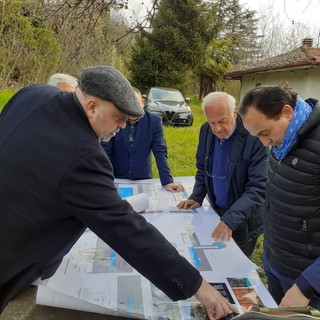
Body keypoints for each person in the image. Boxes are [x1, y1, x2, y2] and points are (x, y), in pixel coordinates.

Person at [0, 65, 238, 319]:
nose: (123, 127)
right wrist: (199, 287)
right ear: (92, 106)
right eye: (119, 118)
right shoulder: (83, 157)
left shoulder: (34, 94)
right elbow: (128, 230)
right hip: (13, 257)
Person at [239, 85, 320, 309]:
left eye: (265, 132)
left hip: (307, 284)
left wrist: (307, 285)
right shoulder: (282, 140)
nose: (264, 143)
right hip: (276, 264)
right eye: (257, 136)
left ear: (287, 112)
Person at [178, 92, 268, 258]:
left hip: (244, 219)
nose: (217, 128)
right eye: (212, 122)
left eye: (222, 121)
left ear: (234, 112)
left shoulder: (253, 136)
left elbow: (258, 188)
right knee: (214, 258)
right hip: (216, 211)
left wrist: (231, 219)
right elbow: (202, 167)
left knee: (236, 264)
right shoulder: (206, 131)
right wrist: (197, 195)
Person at [101, 87, 184, 192]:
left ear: (142, 102)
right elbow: (105, 151)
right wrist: (103, 179)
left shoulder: (154, 121)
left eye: (135, 103)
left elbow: (160, 151)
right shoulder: (115, 119)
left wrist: (167, 181)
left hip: (143, 179)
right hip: (116, 179)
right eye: (128, 104)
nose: (132, 108)